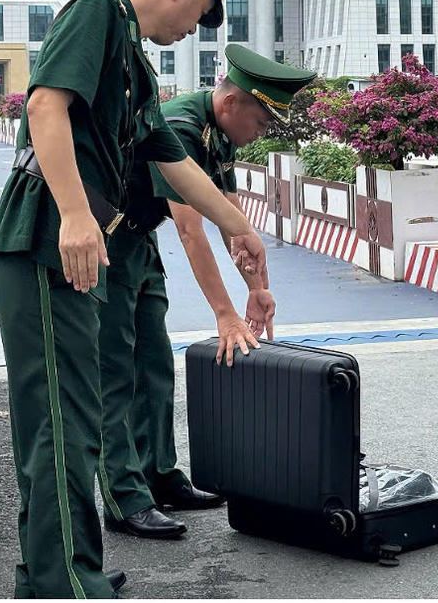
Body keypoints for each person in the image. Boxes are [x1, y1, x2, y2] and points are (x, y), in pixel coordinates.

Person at [0, 0, 268, 598]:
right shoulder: (96, 13)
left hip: (73, 252)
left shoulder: (133, 61)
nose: (191, 29)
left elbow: (169, 158)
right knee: (59, 421)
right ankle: (59, 582)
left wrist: (237, 227)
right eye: (197, 13)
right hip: (44, 241)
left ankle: (66, 567)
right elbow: (47, 105)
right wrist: (79, 214)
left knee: (75, 418)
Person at [98, 44, 316, 540]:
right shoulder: (179, 127)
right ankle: (124, 497)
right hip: (108, 244)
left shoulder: (217, 132)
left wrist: (257, 289)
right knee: (116, 371)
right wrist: (224, 313)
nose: (260, 134)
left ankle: (159, 475)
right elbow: (191, 228)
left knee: (153, 366)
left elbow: (231, 219)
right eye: (261, 122)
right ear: (233, 101)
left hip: (137, 244)